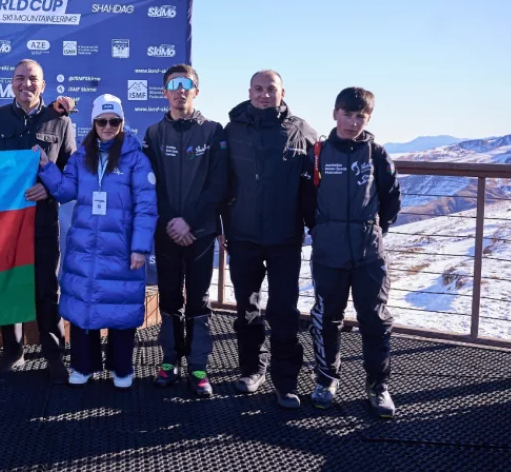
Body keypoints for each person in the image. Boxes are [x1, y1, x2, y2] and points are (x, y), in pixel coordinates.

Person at [35, 94, 157, 389]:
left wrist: (140, 247)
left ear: (122, 122)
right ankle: (83, 365)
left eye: (114, 121)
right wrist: (46, 167)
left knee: (120, 305)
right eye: (102, 121)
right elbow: (65, 191)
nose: (108, 126)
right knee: (82, 304)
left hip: (121, 247)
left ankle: (122, 368)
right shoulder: (80, 157)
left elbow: (146, 206)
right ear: (93, 123)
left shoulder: (136, 158)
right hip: (86, 245)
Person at [0, 59, 77, 385]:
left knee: (47, 288)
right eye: (19, 78)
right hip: (2, 224)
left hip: (43, 220)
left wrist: (48, 188)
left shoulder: (60, 122)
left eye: (32, 79)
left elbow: (72, 175)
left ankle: (53, 353)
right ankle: (13, 350)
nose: (26, 84)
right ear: (11, 83)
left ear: (43, 85)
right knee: (8, 285)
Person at [223, 70, 318, 409]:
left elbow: (313, 187)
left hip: (285, 236)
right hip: (243, 234)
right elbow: (223, 182)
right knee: (246, 309)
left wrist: (315, 226)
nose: (264, 95)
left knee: (283, 311)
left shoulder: (303, 131)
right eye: (259, 89)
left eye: (271, 89)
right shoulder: (231, 131)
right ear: (249, 91)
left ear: (283, 92)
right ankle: (251, 369)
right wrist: (223, 226)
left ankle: (285, 381)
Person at [309, 87, 401, 418]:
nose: (353, 122)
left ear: (369, 118)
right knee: (326, 319)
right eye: (347, 114)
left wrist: (374, 230)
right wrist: (321, 229)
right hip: (328, 252)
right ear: (335, 113)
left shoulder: (377, 153)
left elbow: (391, 199)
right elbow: (306, 198)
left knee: (375, 320)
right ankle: (325, 381)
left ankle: (378, 387)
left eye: (360, 116)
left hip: (368, 254)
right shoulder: (318, 152)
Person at [141, 64, 227, 397]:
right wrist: (170, 220)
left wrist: (189, 221)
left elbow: (218, 185)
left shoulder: (213, 131)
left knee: (199, 300)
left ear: (196, 91)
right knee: (171, 297)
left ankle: (199, 365)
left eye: (186, 85)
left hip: (200, 232)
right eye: (173, 85)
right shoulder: (153, 133)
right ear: (164, 92)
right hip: (166, 231)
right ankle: (169, 360)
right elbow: (151, 185)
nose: (180, 91)